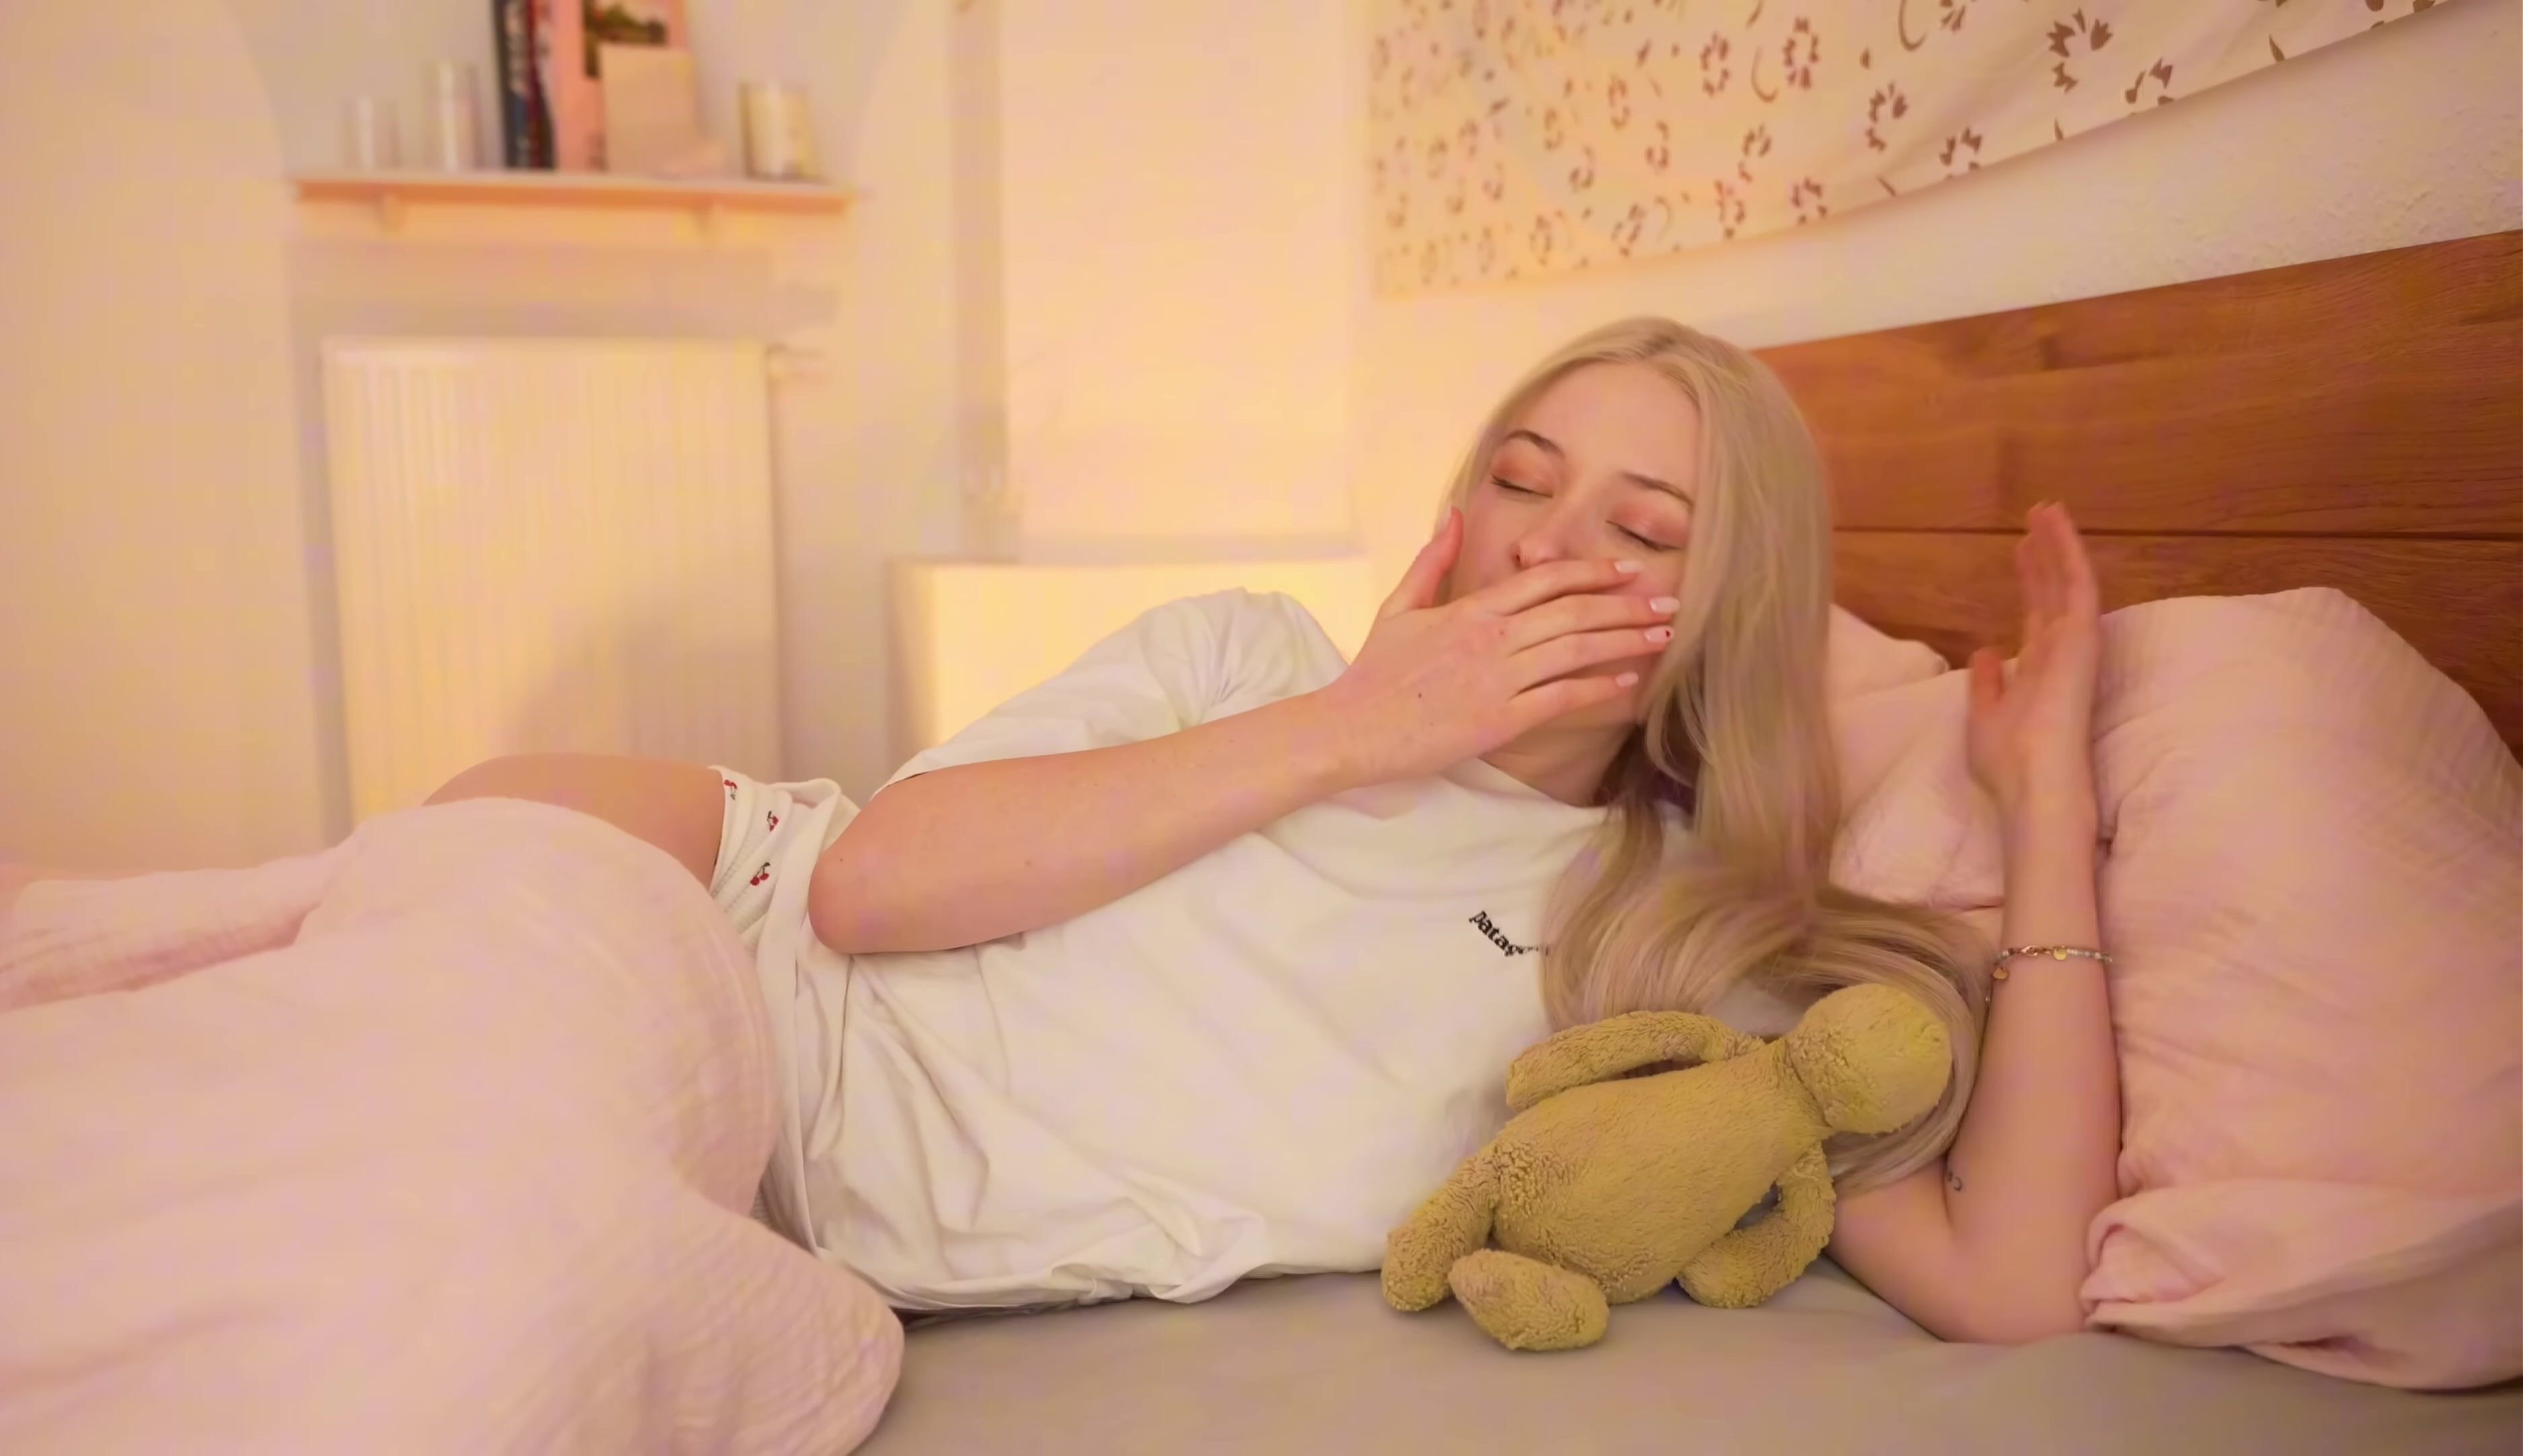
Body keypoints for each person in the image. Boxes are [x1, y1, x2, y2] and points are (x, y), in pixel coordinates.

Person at [429, 319, 2117, 1343]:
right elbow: (866, 886)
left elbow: (2011, 1287)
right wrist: (1355, 730)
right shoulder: (1243, 659)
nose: (1547, 546)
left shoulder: (1676, 943)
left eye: (1643, 528)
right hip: (703, 933)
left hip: (763, 1213)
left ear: (1728, 606)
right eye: (1523, 480)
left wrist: (2044, 806)